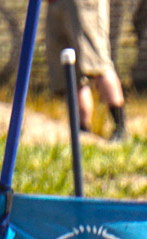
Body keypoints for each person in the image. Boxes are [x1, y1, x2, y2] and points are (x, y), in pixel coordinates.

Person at [47, 0, 129, 140]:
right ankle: (82, 134)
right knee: (70, 72)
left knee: (97, 63)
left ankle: (120, 130)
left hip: (83, 4)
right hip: (56, 3)